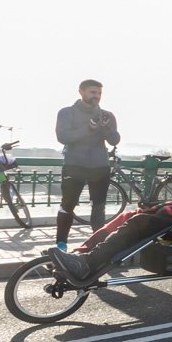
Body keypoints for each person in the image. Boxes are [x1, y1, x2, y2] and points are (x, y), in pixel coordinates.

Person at [48, 148, 172, 286]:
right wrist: (161, 206)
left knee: (136, 223)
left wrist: (169, 208)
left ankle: (87, 263)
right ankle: (81, 253)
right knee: (129, 215)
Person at [55, 79, 120, 252]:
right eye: (92, 92)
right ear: (81, 91)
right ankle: (61, 245)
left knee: (99, 207)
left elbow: (115, 140)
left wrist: (106, 129)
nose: (96, 96)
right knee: (68, 205)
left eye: (99, 93)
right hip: (74, 165)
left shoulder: (107, 115)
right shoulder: (66, 113)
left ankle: (97, 247)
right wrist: (88, 129)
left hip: (100, 166)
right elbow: (63, 137)